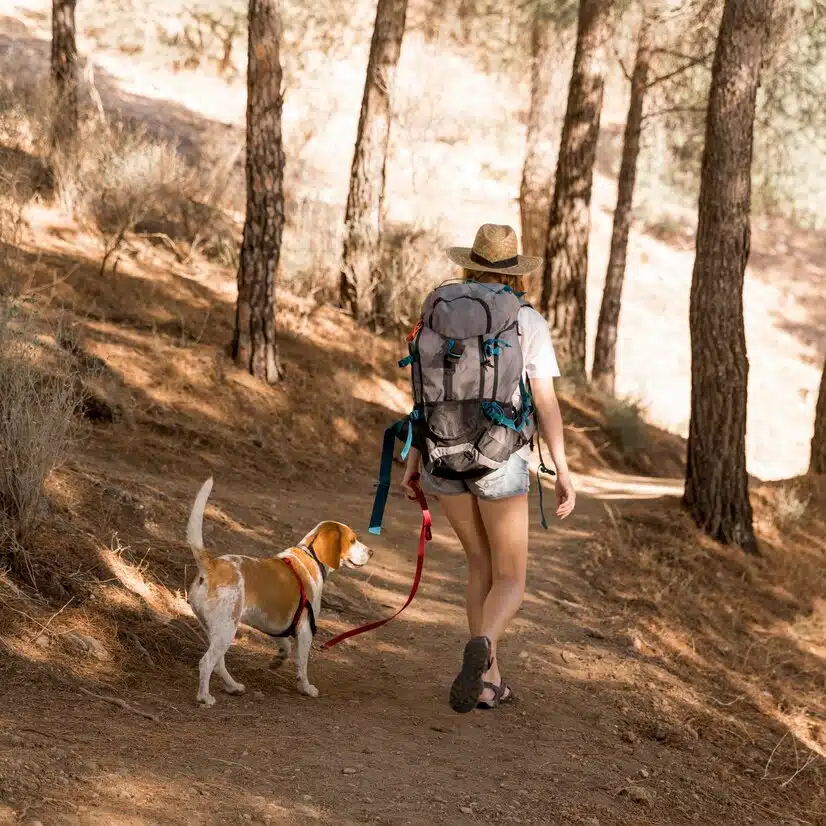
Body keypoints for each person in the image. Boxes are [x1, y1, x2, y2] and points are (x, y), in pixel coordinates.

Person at [400, 223, 576, 712]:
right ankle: (485, 648)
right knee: (511, 578)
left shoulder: (437, 311)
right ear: (515, 270)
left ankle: (486, 683)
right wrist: (562, 470)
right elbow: (546, 405)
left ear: (469, 263)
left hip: (442, 453)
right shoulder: (526, 321)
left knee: (478, 565)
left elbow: (422, 395)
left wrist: (413, 456)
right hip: (500, 458)